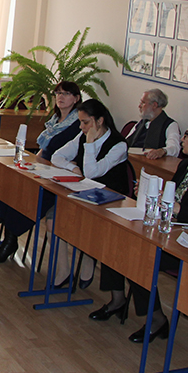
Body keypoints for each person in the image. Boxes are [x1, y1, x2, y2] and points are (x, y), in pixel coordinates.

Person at [90, 118, 188, 342]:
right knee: (117, 239)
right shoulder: (185, 166)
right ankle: (117, 300)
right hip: (171, 232)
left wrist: (179, 209)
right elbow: (171, 197)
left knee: (139, 258)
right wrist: (151, 193)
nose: (183, 139)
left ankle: (157, 319)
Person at [0, 81, 83, 263]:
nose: (60, 97)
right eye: (58, 93)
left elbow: (67, 156)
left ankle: (10, 240)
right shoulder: (54, 120)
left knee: (23, 193)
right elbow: (43, 151)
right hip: (42, 167)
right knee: (4, 181)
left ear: (76, 99)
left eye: (66, 93)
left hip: (57, 177)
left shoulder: (78, 125)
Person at [47, 98, 131, 286]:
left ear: (99, 121)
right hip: (84, 193)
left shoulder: (119, 145)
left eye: (85, 123)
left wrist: (90, 143)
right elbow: (56, 156)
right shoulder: (81, 136)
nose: (81, 127)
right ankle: (64, 271)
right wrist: (73, 168)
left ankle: (88, 257)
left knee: (80, 223)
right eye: (80, 122)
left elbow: (92, 173)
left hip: (109, 199)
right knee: (52, 221)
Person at [124, 88, 180, 159]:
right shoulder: (142, 122)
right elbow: (127, 141)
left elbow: (175, 148)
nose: (139, 106)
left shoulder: (170, 125)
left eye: (143, 103)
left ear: (154, 105)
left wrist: (163, 151)